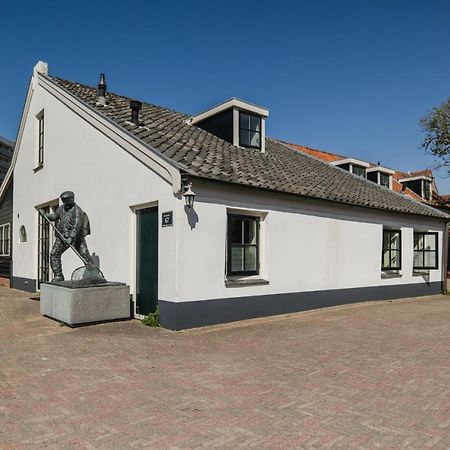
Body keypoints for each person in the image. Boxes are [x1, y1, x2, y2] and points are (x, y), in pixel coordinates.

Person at [44, 191, 93, 282]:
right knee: (54, 254)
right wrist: (47, 215)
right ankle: (58, 276)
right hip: (62, 237)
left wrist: (71, 237)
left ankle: (94, 275)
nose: (64, 203)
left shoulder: (78, 211)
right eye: (63, 201)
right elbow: (55, 216)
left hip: (76, 238)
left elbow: (76, 226)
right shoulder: (61, 208)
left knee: (85, 255)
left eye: (66, 201)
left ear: (71, 199)